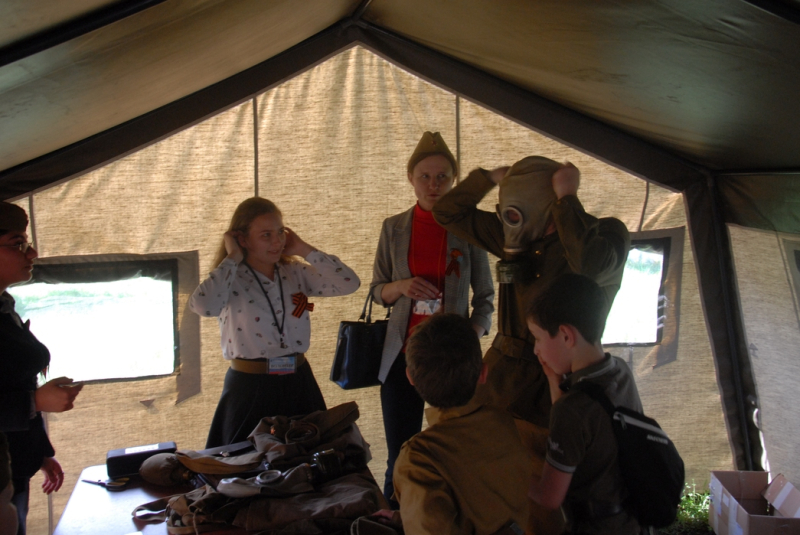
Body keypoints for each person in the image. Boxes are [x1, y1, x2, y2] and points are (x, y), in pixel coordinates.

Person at [433, 156, 629, 534]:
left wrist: (567, 200)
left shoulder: (604, 235)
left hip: (554, 388)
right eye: (508, 212)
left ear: (550, 206)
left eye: (520, 211)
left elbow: (590, 264)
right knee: (477, 482)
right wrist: (489, 178)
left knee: (541, 503)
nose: (512, 222)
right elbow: (447, 212)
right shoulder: (517, 235)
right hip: (500, 382)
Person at [369, 132, 494, 506]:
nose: (433, 184)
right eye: (425, 176)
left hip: (452, 361)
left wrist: (470, 336)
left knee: (453, 452)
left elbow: (485, 299)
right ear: (410, 178)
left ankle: (451, 517)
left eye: (442, 177)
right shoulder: (393, 227)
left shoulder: (467, 230)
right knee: (400, 453)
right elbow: (377, 292)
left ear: (454, 181)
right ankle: (395, 518)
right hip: (402, 356)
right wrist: (400, 286)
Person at [190, 197, 360, 448]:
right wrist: (233, 256)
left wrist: (303, 248)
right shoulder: (229, 278)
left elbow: (349, 283)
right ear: (243, 239)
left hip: (298, 380)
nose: (277, 241)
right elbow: (202, 306)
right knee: (247, 460)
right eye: (266, 235)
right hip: (249, 386)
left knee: (308, 455)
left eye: (280, 232)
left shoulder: (295, 272)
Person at [372, 313, 530, 535]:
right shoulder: (504, 424)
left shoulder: (419, 459)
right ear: (483, 373)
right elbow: (481, 507)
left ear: (410, 378)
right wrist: (406, 517)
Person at [526, 273, 642, 535]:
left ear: (566, 336)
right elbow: (578, 431)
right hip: (632, 521)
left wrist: (504, 474)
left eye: (538, 338)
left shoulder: (573, 409)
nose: (536, 349)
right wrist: (554, 381)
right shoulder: (620, 370)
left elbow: (549, 496)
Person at [0, 201, 83, 535]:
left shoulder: (4, 307)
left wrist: (39, 454)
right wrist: (35, 401)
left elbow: (15, 382)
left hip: (11, 467)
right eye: (18, 243)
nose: (32, 253)